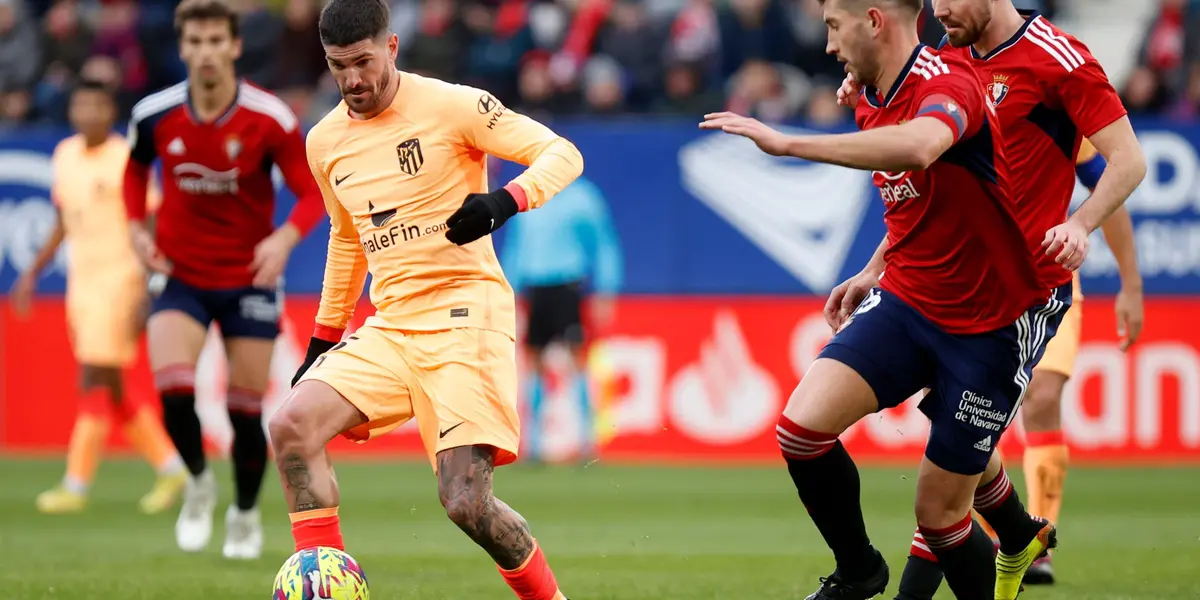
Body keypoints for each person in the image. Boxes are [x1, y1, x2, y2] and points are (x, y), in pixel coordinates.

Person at [699, 0, 1075, 598]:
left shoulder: (950, 83)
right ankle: (859, 571)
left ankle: (1013, 534)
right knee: (801, 429)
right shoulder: (869, 96)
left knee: (940, 515)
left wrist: (790, 145)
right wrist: (875, 268)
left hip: (992, 321)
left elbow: (921, 147)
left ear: (874, 21)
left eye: (833, 26)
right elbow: (918, 198)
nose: (828, 46)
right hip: (910, 298)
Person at [834, 2, 1147, 597]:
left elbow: (1127, 161)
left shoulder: (1057, 60)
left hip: (1022, 295)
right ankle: (1022, 533)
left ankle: (1013, 541)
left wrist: (1083, 227)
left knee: (951, 472)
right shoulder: (945, 64)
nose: (941, 10)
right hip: (951, 287)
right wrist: (877, 266)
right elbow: (929, 191)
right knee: (958, 453)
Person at [273, 1, 583, 599]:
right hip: (393, 326)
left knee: (466, 503)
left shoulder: (453, 105)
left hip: (467, 316)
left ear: (391, 47)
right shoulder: (324, 141)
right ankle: (325, 586)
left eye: (363, 62)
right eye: (339, 66)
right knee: (291, 425)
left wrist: (504, 202)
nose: (352, 79)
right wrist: (323, 338)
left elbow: (562, 153)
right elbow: (347, 237)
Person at [122, 0, 325, 560]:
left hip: (248, 279)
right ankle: (197, 482)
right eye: (196, 42)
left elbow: (312, 193)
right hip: (180, 275)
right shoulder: (154, 114)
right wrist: (136, 231)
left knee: (244, 410)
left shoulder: (270, 118)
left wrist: (284, 240)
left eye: (216, 41)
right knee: (173, 388)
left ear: (234, 46)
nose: (206, 52)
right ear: (183, 48)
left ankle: (243, 513)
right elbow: (133, 173)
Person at [10, 79, 186, 516]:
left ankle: (76, 483)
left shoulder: (127, 157)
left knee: (93, 377)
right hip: (82, 284)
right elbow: (62, 221)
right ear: (72, 111)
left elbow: (150, 221)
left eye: (98, 105)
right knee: (112, 383)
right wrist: (32, 273)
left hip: (121, 279)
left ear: (111, 112)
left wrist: (152, 284)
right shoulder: (65, 155)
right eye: (82, 105)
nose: (89, 113)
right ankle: (171, 467)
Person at [499, 175, 624, 463]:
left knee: (578, 360)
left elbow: (604, 244)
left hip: (567, 286)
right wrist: (508, 290)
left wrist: (606, 288)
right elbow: (517, 247)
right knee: (534, 362)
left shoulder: (583, 197)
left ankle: (588, 443)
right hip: (535, 289)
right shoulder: (527, 193)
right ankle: (532, 445)